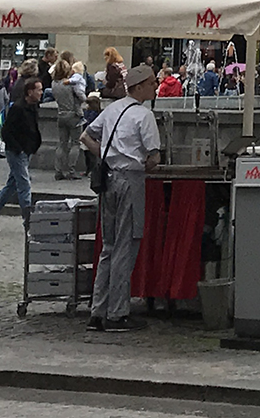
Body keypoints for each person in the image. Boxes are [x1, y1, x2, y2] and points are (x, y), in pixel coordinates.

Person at [83, 64, 163, 333]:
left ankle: (97, 310)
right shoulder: (144, 115)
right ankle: (117, 313)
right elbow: (154, 157)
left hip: (108, 180)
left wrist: (106, 156)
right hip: (130, 180)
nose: (155, 86)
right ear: (139, 87)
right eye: (151, 83)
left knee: (108, 246)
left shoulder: (112, 109)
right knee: (125, 246)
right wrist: (142, 164)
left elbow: (85, 136)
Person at [0, 75, 43, 226]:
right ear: (30, 92)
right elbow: (6, 131)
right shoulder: (18, 108)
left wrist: (34, 145)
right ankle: (28, 218)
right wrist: (18, 148)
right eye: (38, 90)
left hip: (26, 149)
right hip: (17, 151)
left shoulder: (32, 107)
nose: (41, 92)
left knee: (12, 184)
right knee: (24, 183)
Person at [50, 61, 84, 182]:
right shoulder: (70, 83)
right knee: (75, 143)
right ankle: (71, 170)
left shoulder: (54, 83)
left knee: (62, 143)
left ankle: (58, 170)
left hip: (61, 113)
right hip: (73, 114)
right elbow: (82, 97)